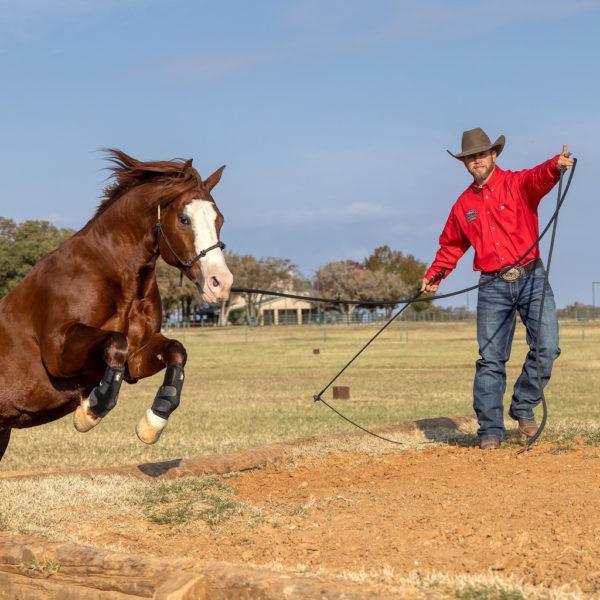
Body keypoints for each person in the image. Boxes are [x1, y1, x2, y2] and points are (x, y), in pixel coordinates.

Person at [421, 128, 574, 450]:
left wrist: (555, 165)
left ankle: (523, 405)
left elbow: (539, 177)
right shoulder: (464, 204)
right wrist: (436, 274)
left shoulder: (518, 184)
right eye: (469, 157)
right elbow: (451, 245)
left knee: (548, 347)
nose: (476, 161)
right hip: (492, 285)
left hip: (532, 277)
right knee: (490, 360)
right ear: (464, 163)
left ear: (493, 155)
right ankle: (490, 429)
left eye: (481, 154)